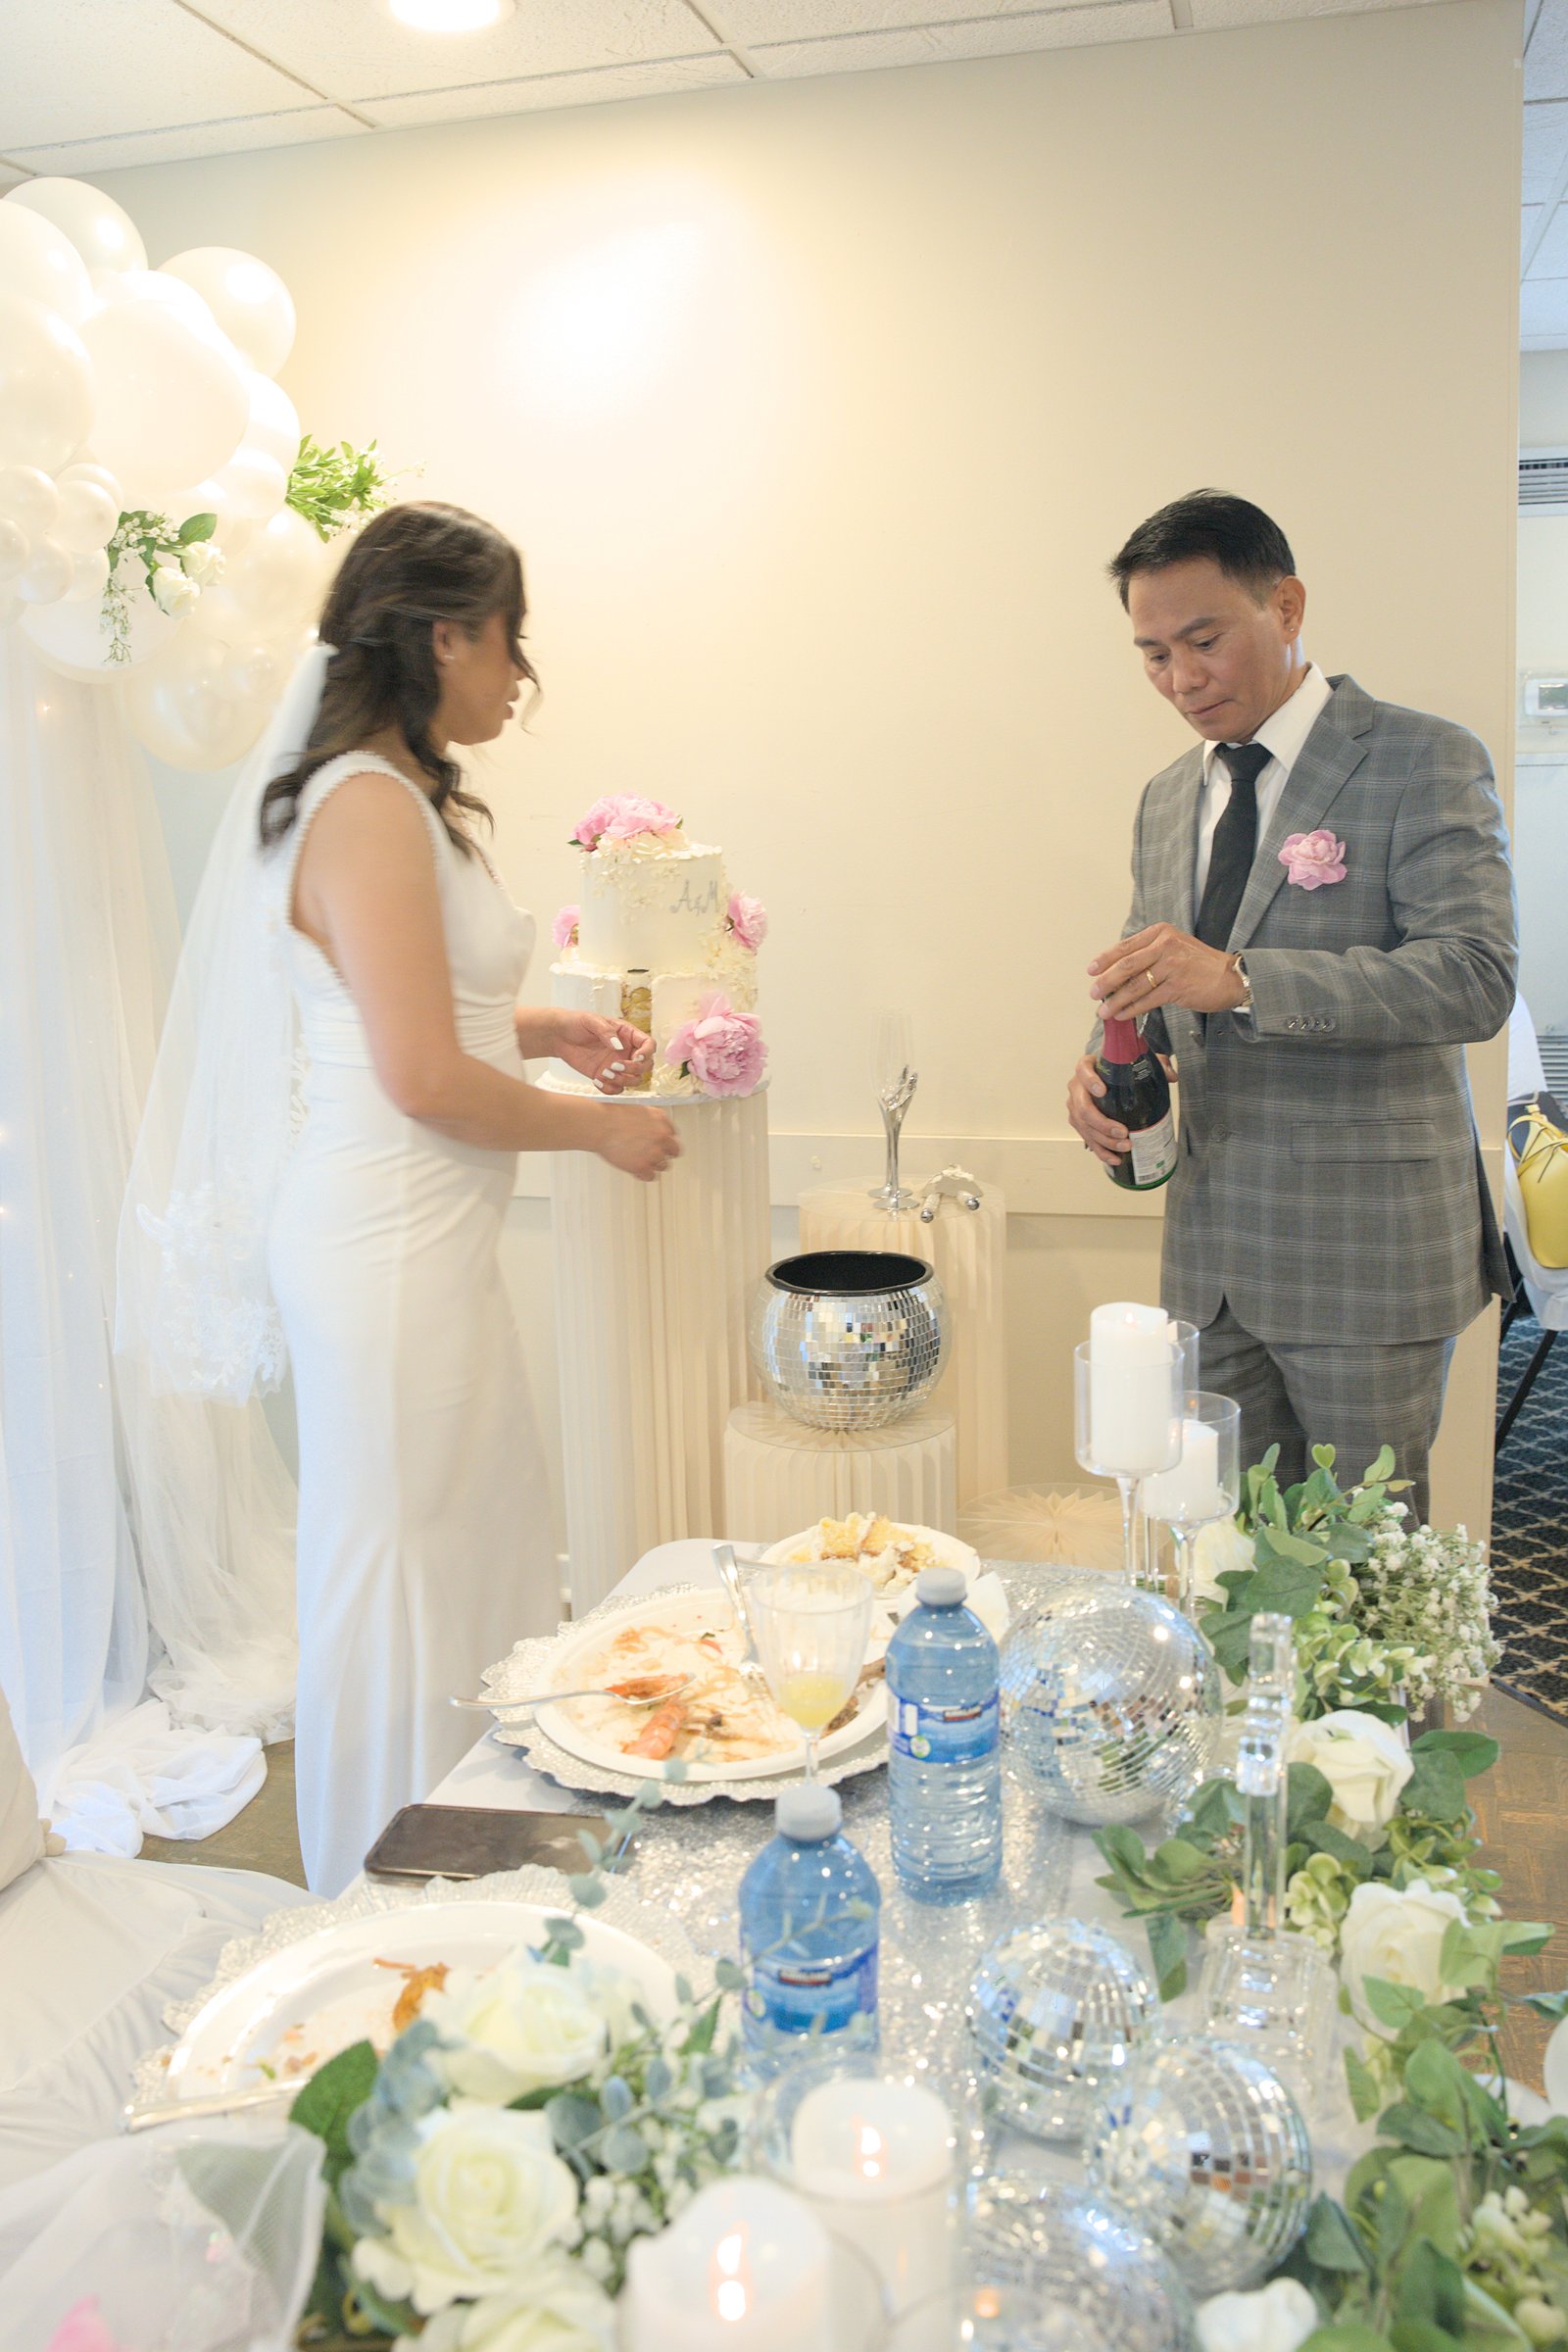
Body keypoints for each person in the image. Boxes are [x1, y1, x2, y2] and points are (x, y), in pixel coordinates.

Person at [122, 503, 679, 1895]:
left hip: (426, 1246)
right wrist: (597, 1133)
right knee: (399, 1581)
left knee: (472, 1554)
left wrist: (546, 1032)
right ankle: (378, 1895)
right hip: (381, 1248)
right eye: (508, 639)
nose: (520, 674)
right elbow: (421, 1074)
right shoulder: (364, 805)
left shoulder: (396, 797)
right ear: (441, 636)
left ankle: (475, 1864)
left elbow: (423, 1011)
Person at [1066, 490, 1516, 1516]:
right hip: (1209, 1263)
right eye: (1152, 655)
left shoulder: (1423, 758)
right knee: (1222, 1554)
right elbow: (1154, 982)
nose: (1181, 680)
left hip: (1367, 1257)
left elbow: (1475, 976)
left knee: (1368, 1572)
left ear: (1286, 606)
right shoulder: (1167, 796)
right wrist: (1101, 1065)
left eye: (1203, 641)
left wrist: (1246, 979)